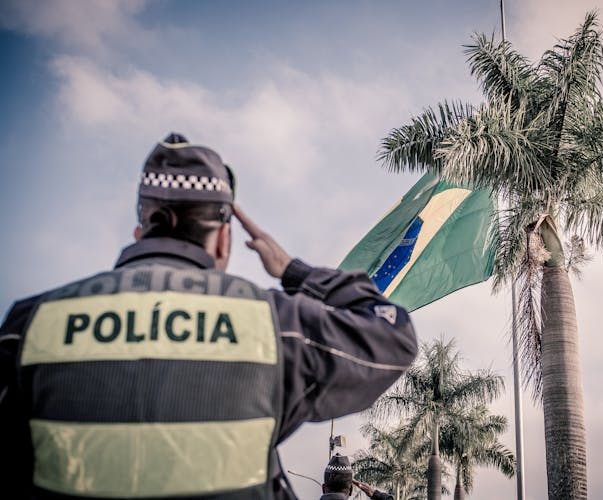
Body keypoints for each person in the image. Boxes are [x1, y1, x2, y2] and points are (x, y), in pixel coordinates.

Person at [0, 133, 418, 499]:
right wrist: (293, 271)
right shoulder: (274, 325)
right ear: (223, 240)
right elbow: (392, 337)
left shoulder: (29, 324)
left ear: (139, 233)